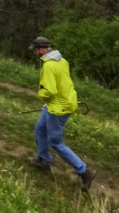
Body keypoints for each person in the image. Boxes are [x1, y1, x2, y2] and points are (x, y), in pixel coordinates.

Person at [28, 36, 95, 192]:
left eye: (36, 51)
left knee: (56, 142)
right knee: (40, 129)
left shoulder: (49, 66)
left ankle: (85, 172)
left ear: (42, 50)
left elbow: (49, 91)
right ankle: (44, 160)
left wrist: (41, 93)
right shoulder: (62, 60)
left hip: (59, 108)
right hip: (58, 103)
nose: (35, 53)